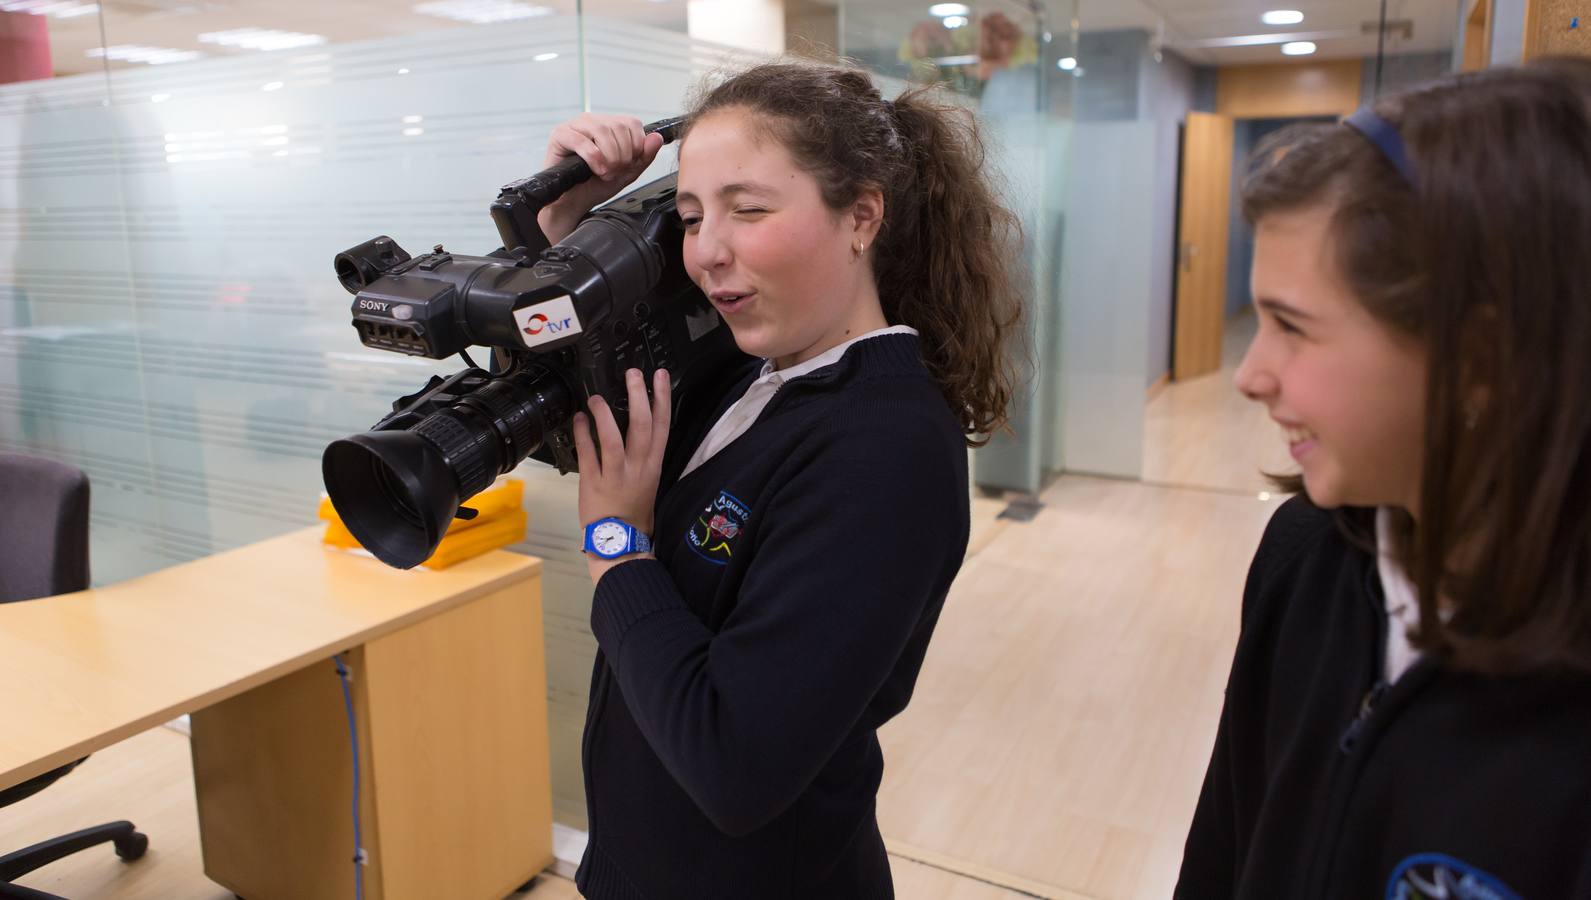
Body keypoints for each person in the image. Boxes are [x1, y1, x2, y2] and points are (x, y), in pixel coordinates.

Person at [536, 60, 1025, 899]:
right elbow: (585, 349)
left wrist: (614, 544)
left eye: (748, 209)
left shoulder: (885, 450)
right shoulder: (749, 365)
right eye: (690, 217)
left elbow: (735, 763)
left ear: (861, 215)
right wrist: (567, 221)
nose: (705, 252)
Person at [1176, 59, 1591, 898]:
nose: (1249, 375)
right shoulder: (1305, 558)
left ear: (1481, 361)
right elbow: (1223, 846)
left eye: (1292, 327)